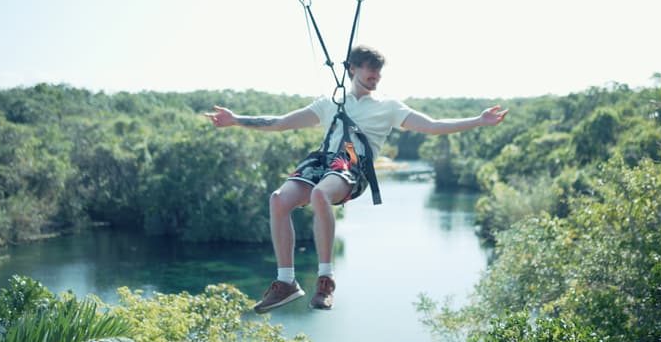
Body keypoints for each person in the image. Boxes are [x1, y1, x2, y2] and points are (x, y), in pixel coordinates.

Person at [207, 45, 507, 312]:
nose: (375, 78)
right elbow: (281, 123)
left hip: (353, 163)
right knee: (278, 200)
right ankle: (286, 282)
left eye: (378, 75)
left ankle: (325, 280)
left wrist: (478, 121)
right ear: (352, 69)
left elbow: (433, 125)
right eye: (370, 73)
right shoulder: (331, 102)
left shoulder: (388, 107)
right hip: (324, 159)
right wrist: (237, 120)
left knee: (320, 194)